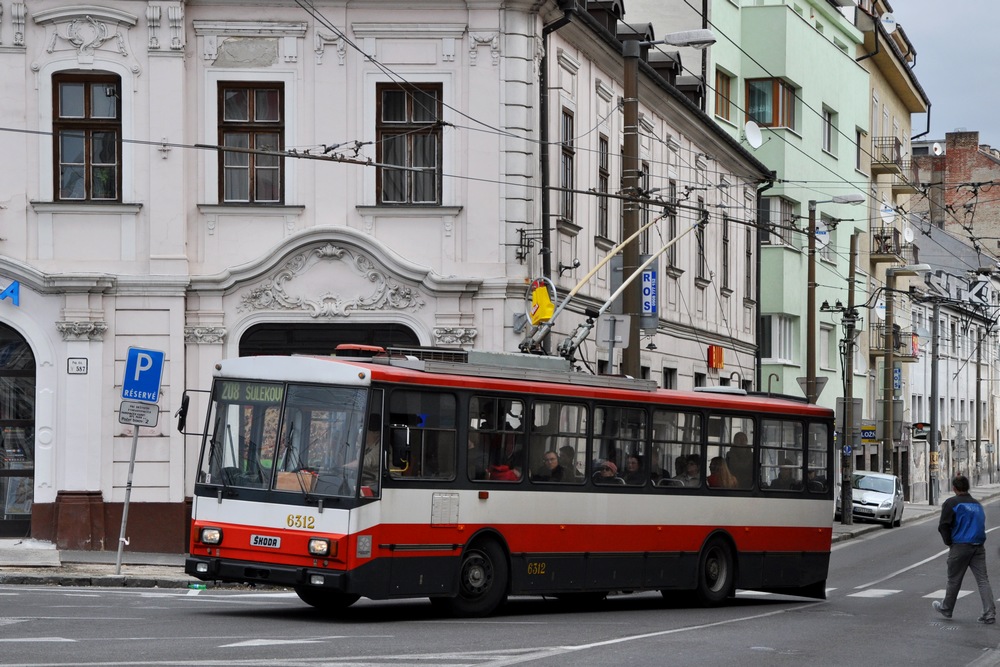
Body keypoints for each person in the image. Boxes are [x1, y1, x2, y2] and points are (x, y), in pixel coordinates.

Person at [932, 474, 996, 624]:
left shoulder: (951, 503)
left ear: (954, 488)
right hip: (978, 546)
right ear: (967, 487)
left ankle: (947, 609)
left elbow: (943, 525)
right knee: (983, 580)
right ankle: (989, 613)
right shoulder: (977, 504)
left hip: (960, 545)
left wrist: (949, 542)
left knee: (954, 580)